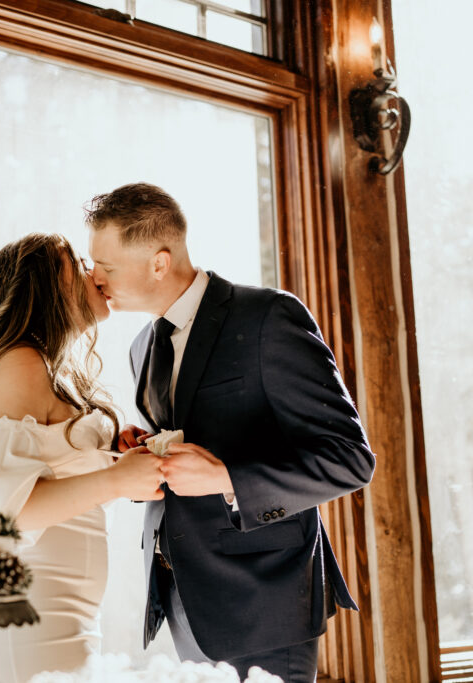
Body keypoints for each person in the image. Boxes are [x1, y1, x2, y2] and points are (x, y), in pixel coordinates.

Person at [84, 183, 376, 683]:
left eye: (105, 266)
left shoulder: (268, 317)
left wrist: (226, 478)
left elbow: (350, 459)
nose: (94, 277)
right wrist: (145, 449)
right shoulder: (139, 347)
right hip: (181, 601)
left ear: (159, 262)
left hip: (263, 601)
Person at [0, 233, 165, 683]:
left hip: (61, 608)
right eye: (78, 262)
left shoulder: (46, 367)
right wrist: (117, 481)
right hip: (30, 612)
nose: (95, 273)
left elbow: (48, 466)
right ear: (44, 283)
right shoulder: (20, 363)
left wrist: (110, 451)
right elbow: (3, 511)